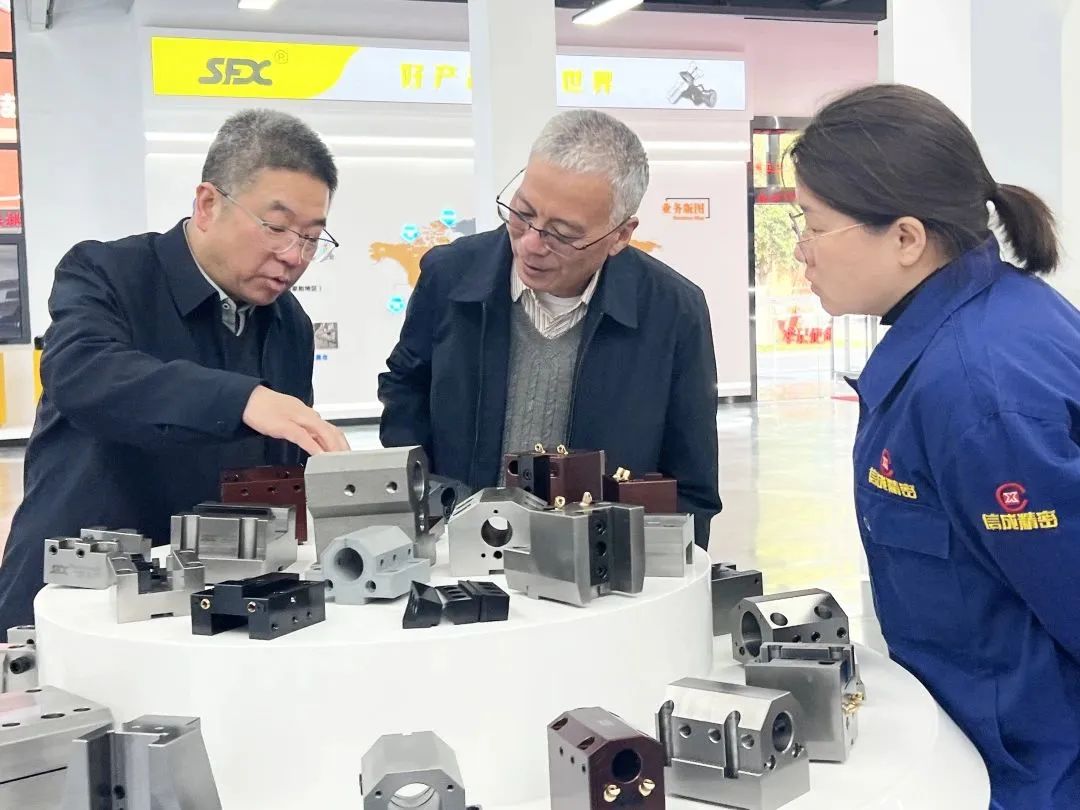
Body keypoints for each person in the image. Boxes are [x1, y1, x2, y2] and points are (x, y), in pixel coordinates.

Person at [791, 84, 1080, 808]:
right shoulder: (980, 322)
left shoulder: (975, 388)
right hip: (984, 739)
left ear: (906, 238)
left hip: (1028, 767)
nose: (800, 251)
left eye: (813, 225)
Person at [0, 109, 351, 629]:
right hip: (79, 594)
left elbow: (276, 473)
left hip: (216, 601)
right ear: (208, 204)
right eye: (277, 228)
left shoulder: (288, 323)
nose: (294, 255)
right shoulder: (108, 272)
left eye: (311, 238)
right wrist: (243, 400)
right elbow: (83, 372)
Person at [378, 109, 721, 547]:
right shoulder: (449, 275)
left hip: (599, 564)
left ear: (621, 235)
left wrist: (658, 569)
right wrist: (424, 505)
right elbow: (405, 391)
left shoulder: (673, 311)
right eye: (522, 213)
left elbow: (691, 485)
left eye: (562, 234)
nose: (530, 244)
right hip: (458, 549)